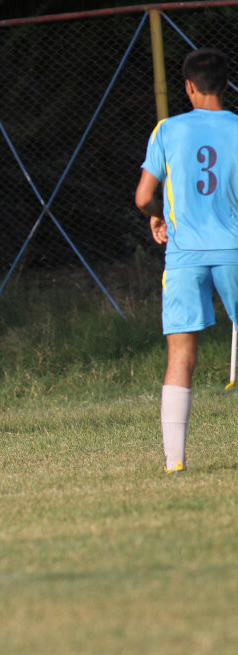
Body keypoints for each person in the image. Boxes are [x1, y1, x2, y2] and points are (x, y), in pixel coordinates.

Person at [134, 47, 238, 474]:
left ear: (189, 86)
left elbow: (143, 196)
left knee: (180, 355)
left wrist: (158, 214)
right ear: (226, 85)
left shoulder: (168, 129)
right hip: (233, 251)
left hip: (183, 256)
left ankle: (174, 460)